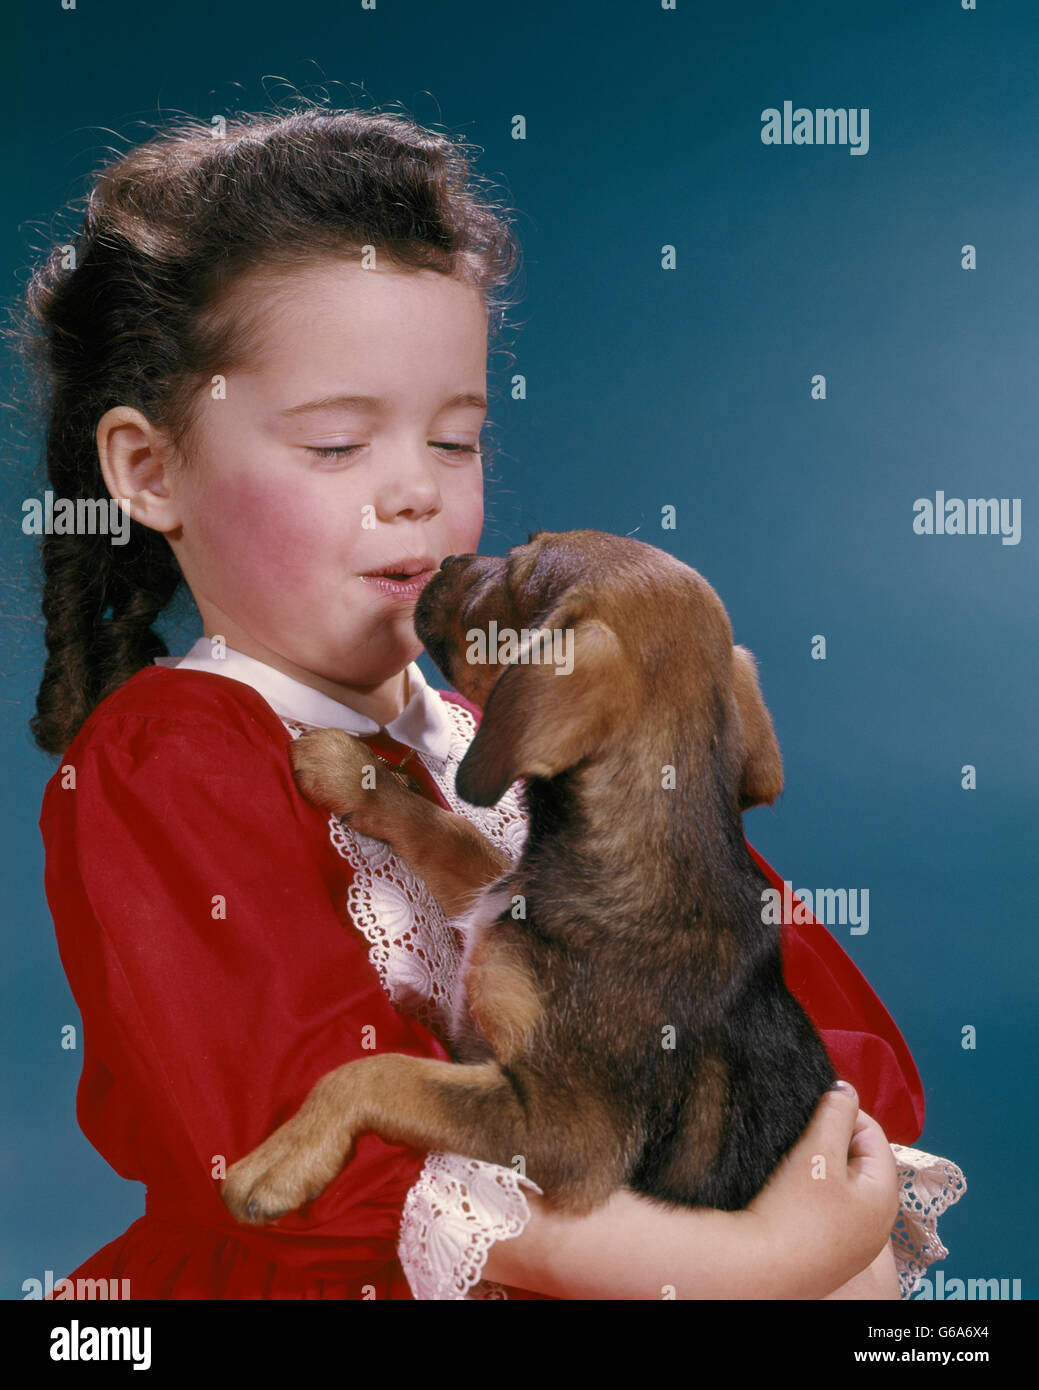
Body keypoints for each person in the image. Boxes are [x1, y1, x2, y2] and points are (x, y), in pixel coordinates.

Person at [17, 104, 963, 1300]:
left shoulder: (521, 720)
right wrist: (737, 1260)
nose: (414, 490)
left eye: (455, 440)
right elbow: (290, 1164)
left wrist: (830, 1200)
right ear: (149, 471)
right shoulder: (173, 759)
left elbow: (777, 999)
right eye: (335, 447)